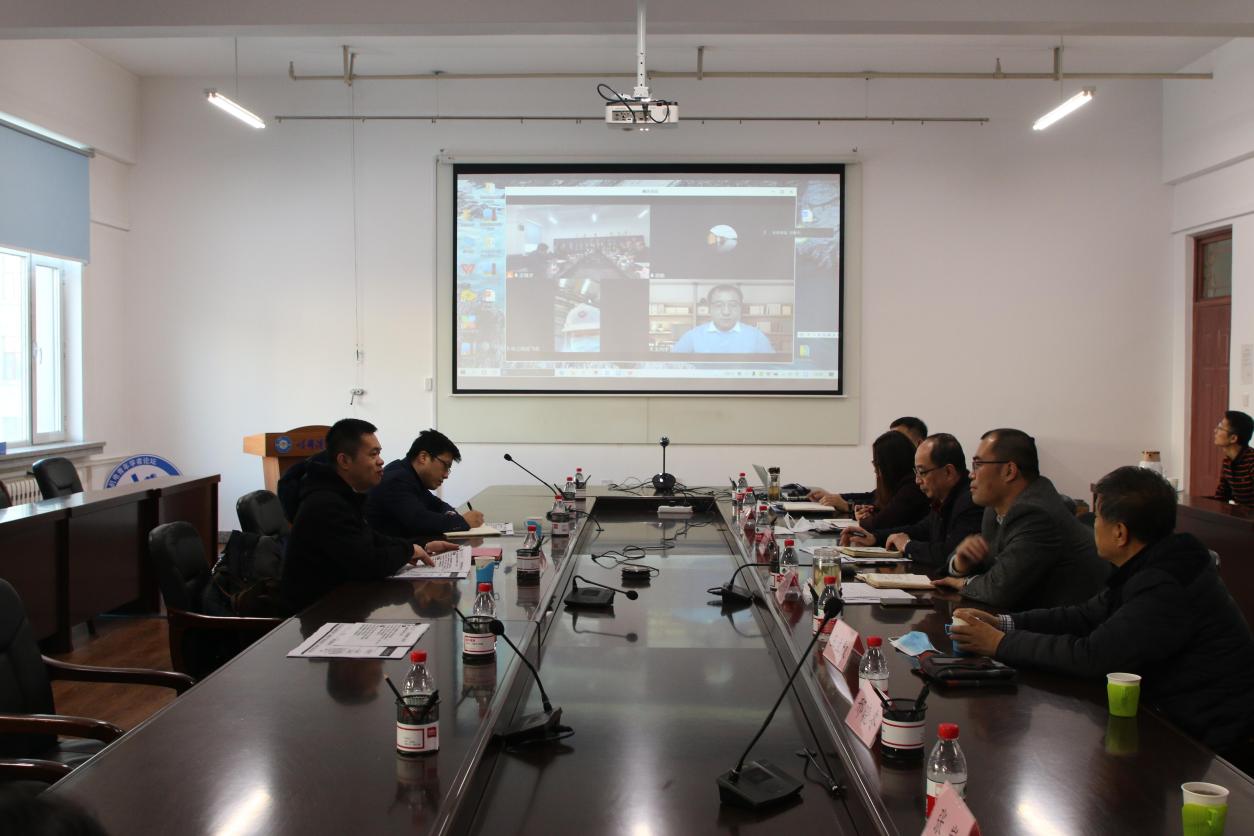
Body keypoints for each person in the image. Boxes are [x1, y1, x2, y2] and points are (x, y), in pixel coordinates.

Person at [950, 466, 1254, 759]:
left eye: (1097, 517)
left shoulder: (1165, 583)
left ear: (1120, 532)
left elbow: (1092, 655)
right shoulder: (1151, 562)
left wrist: (999, 644)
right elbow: (1084, 616)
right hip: (1176, 714)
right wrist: (1004, 623)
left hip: (1210, 738)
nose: (1092, 524)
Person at [280, 419, 457, 612]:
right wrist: (408, 551)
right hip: (318, 613)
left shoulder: (341, 495)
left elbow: (372, 538)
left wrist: (421, 546)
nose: (381, 461)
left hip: (343, 604)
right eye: (373, 454)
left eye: (379, 453)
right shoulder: (325, 503)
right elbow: (367, 562)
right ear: (344, 461)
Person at [932, 428, 1109, 609]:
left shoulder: (1036, 513)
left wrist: (964, 582)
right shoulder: (994, 508)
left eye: (978, 464)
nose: (971, 474)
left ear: (1009, 471)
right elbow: (992, 567)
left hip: (1066, 620)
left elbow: (998, 589)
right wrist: (961, 563)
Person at [839, 433, 984, 571]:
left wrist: (908, 545)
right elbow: (921, 529)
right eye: (916, 472)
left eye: (922, 472)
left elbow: (951, 554)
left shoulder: (970, 501)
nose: (917, 480)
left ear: (948, 472)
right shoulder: (943, 497)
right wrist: (875, 538)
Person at [366, 428, 484, 541]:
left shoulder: (411, 475)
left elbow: (438, 505)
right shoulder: (396, 479)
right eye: (445, 466)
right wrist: (463, 521)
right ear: (423, 457)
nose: (446, 475)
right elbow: (419, 521)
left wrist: (453, 515)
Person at [808, 417, 929, 511]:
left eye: (898, 438)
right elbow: (873, 496)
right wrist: (836, 497)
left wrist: (849, 506)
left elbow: (888, 513)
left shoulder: (918, 479)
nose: (892, 441)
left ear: (919, 443)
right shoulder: (899, 474)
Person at [671, 284, 774, 353]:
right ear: (709, 309)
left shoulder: (756, 336)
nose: (726, 312)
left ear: (740, 308)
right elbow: (671, 364)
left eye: (733, 305)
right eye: (719, 305)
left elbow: (773, 368)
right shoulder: (693, 336)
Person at [1213, 409, 1254, 507]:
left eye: (1220, 428)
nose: (1215, 431)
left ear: (1233, 438)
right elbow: (1221, 496)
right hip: (1241, 515)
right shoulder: (1227, 462)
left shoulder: (1252, 461)